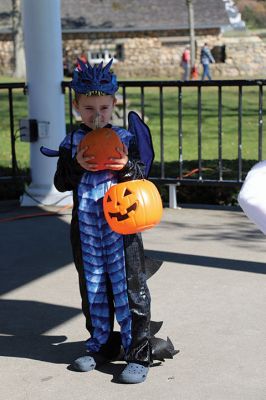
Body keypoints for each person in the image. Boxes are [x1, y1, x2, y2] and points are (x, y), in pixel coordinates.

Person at [52, 59, 177, 384]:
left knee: (130, 288)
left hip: (122, 228)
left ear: (114, 104)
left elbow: (141, 177)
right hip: (87, 229)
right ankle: (100, 345)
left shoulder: (125, 138)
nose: (97, 115)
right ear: (76, 104)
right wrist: (76, 164)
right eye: (89, 107)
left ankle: (138, 352)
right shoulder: (70, 143)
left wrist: (125, 166)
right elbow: (62, 183)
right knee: (92, 286)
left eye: (104, 108)